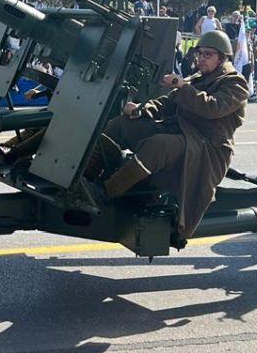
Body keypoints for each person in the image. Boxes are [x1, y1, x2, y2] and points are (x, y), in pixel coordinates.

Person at [100, 30, 249, 238]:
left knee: (159, 145)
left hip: (207, 148)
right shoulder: (197, 78)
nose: (201, 59)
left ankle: (108, 191)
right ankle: (87, 175)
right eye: (199, 53)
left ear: (222, 57)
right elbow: (167, 103)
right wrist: (140, 110)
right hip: (181, 134)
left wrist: (183, 86)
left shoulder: (235, 83)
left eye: (208, 54)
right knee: (122, 125)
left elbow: (212, 108)